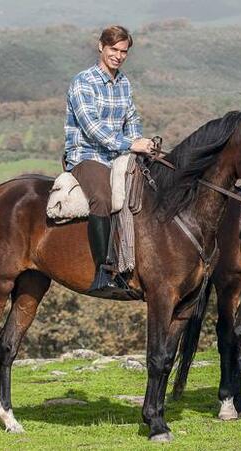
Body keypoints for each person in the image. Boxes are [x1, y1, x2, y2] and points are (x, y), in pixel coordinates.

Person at [64, 25, 154, 293]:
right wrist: (131, 144)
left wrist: (140, 144)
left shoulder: (124, 82)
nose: (118, 55)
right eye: (113, 49)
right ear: (101, 47)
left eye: (123, 51)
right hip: (87, 155)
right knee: (103, 197)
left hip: (118, 154)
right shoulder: (83, 82)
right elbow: (92, 128)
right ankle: (102, 270)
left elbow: (132, 118)